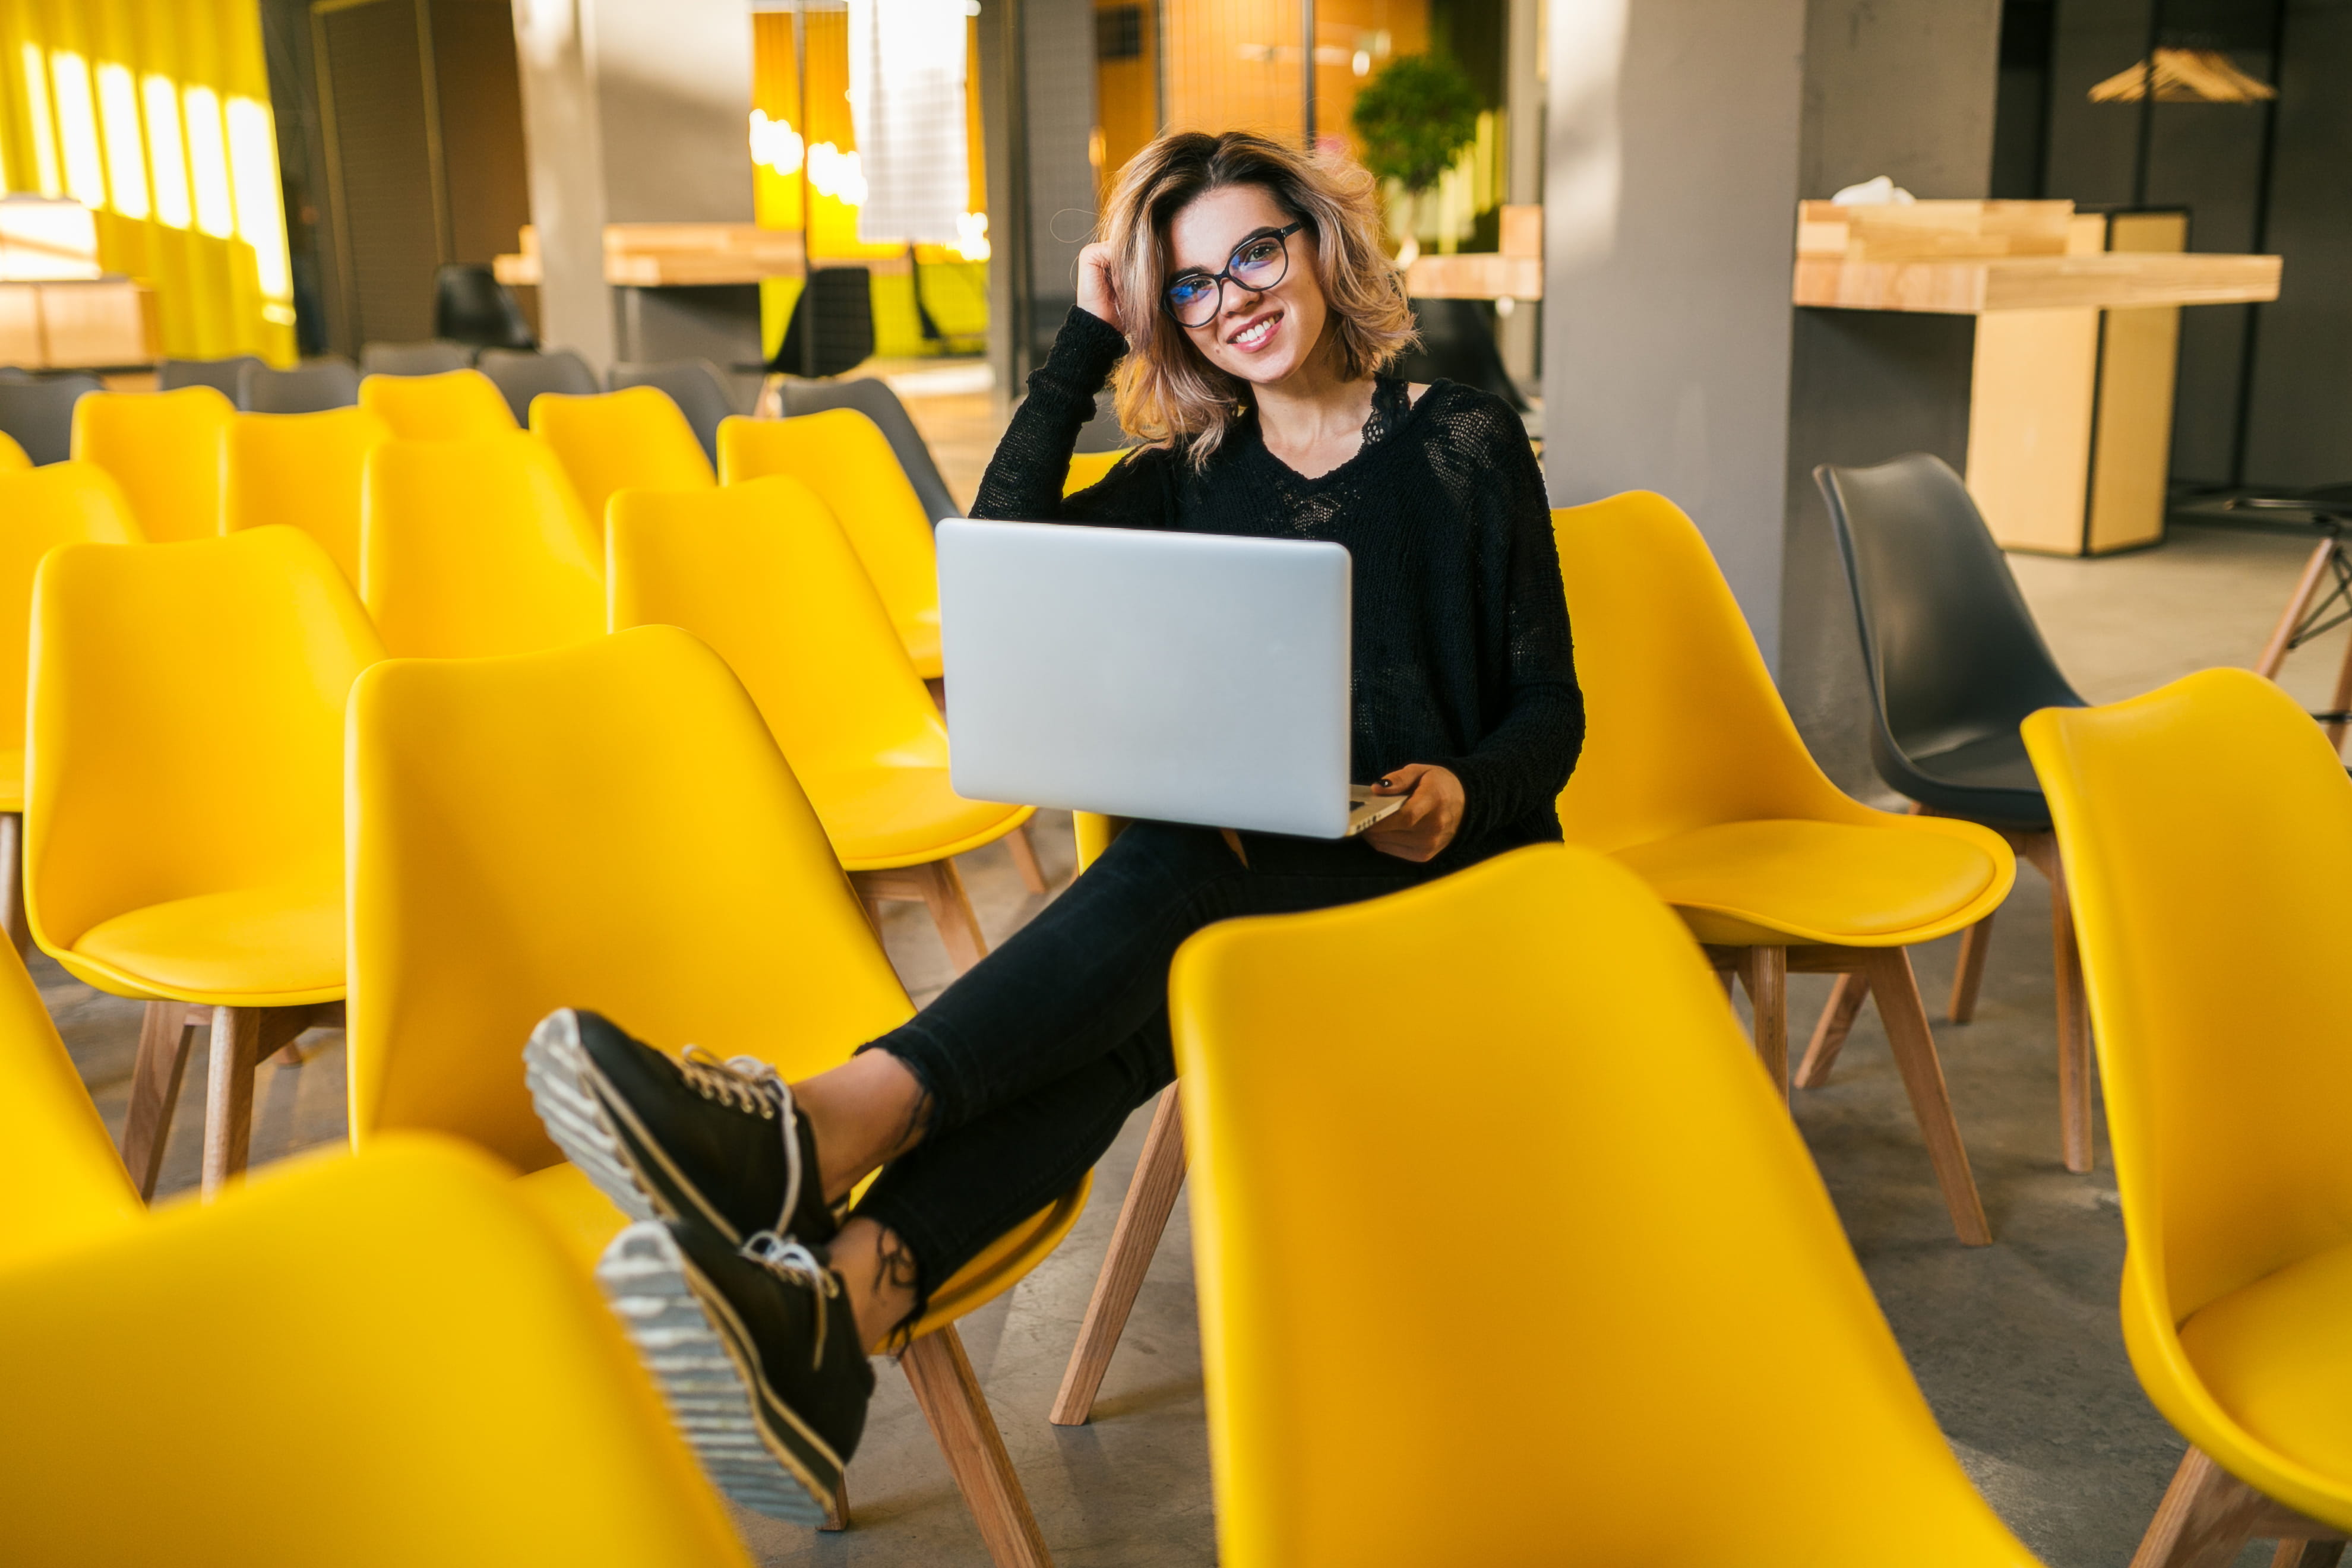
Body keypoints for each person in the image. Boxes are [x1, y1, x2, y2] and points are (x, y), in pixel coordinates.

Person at [524, 128, 1583, 1518]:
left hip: (1464, 878)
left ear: (1320, 245)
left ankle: (818, 1131)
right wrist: (1083, 339)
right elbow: (1001, 555)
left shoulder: (1463, 440)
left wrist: (1459, 792)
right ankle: (835, 1310)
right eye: (1191, 286)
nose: (1236, 298)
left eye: (1256, 251)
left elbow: (1550, 712)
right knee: (1136, 1008)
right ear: (1168, 316)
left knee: (1177, 870)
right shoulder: (1198, 473)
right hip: (1268, 881)